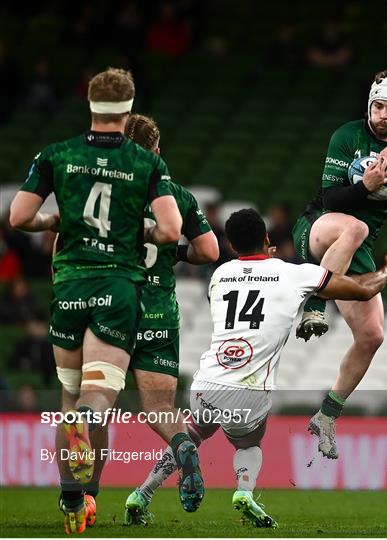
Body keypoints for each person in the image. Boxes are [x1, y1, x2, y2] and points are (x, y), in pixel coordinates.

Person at [127, 208, 387, 528]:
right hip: (249, 392)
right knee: (248, 443)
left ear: (231, 246)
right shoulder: (292, 273)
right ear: (268, 239)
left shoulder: (220, 276)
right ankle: (244, 492)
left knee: (192, 431)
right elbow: (362, 289)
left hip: (206, 385)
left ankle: (142, 493)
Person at [8, 67, 188, 534]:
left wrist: (55, 223)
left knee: (68, 396)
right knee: (97, 399)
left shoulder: (57, 155)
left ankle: (72, 499)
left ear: (90, 105)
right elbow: (169, 231)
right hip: (116, 291)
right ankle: (87, 431)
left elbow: (19, 216)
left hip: (68, 286)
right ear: (127, 110)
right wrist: (137, 231)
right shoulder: (147, 164)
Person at [292, 69, 387, 458]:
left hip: (357, 245)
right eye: (378, 106)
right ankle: (315, 308)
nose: (382, 115)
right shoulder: (347, 135)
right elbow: (331, 200)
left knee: (373, 336)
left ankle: (327, 415)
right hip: (320, 226)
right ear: (369, 105)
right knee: (352, 227)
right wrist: (365, 187)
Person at [120, 113, 218, 518]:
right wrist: (175, 250)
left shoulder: (105, 191)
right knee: (159, 406)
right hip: (159, 309)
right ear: (158, 151)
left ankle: (79, 494)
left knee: (91, 398)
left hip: (112, 304)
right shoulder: (176, 195)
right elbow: (210, 252)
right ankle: (183, 447)